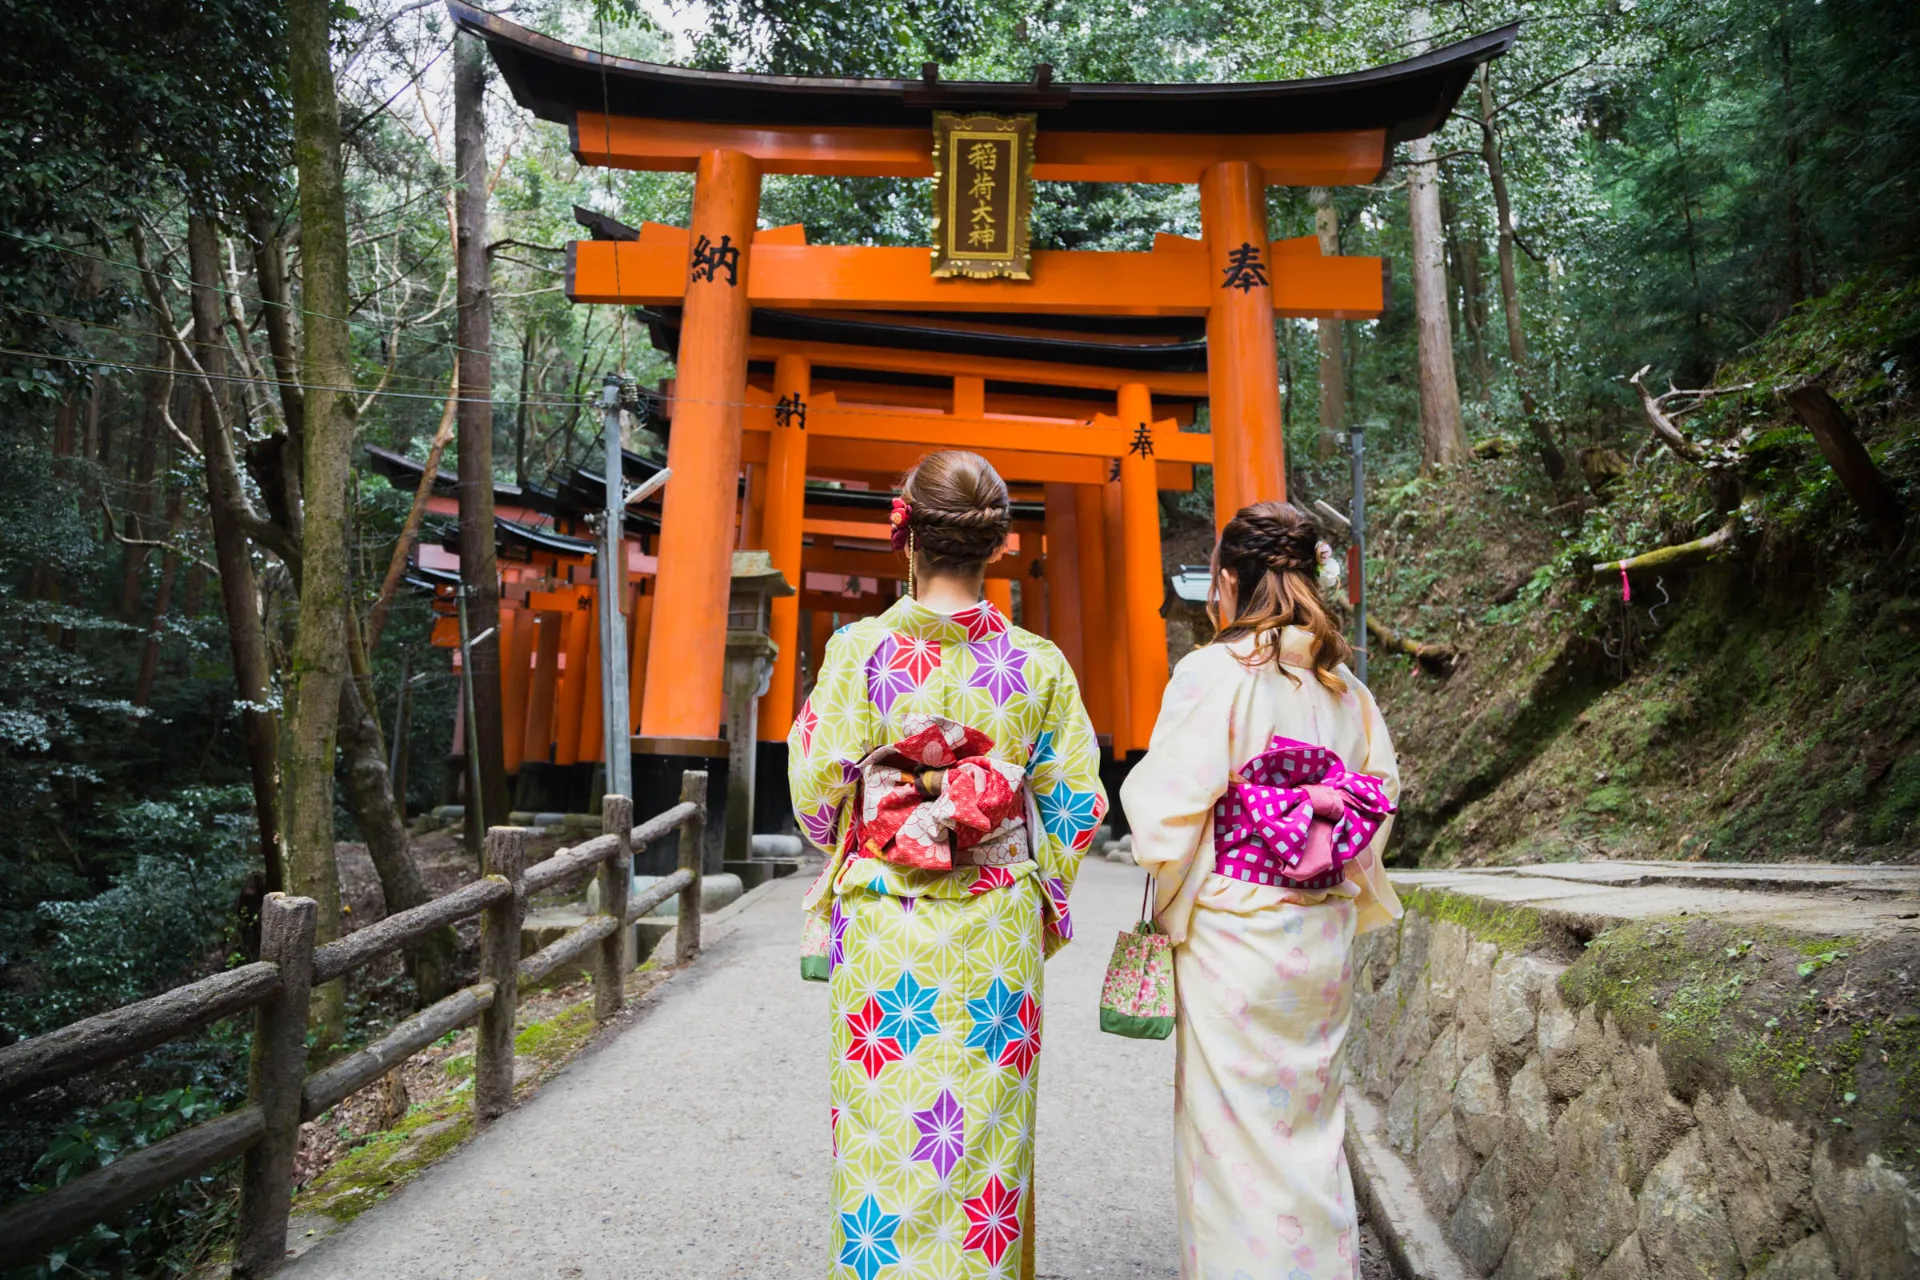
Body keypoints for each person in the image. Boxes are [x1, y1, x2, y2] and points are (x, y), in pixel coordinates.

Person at [789, 450, 1107, 1280]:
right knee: (984, 1153)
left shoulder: (858, 651)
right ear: (996, 545)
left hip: (886, 929)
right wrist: (1041, 896)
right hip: (994, 932)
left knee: (884, 1140)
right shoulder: (1037, 663)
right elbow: (1075, 808)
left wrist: (873, 832)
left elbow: (819, 791)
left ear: (909, 537)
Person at [1121, 500, 1403, 1280]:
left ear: (1232, 580)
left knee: (1234, 1143)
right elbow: (1377, 802)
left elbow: (1163, 817)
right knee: (1310, 1133)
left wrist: (1183, 885)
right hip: (1320, 934)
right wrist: (1319, 850)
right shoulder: (1344, 688)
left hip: (1235, 939)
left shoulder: (1217, 672)